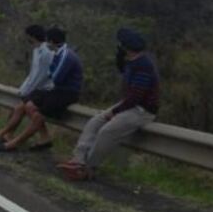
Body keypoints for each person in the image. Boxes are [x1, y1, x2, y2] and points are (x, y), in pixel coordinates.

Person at [57, 29, 160, 181]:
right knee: (94, 121)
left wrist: (116, 111)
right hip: (129, 104)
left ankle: (88, 167)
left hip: (142, 109)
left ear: (125, 46)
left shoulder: (143, 66)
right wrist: (119, 57)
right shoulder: (130, 62)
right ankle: (77, 159)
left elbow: (136, 96)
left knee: (107, 131)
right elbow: (122, 71)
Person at [0, 26, 83, 152]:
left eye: (48, 41)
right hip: (57, 89)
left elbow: (56, 77)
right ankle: (43, 138)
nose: (46, 44)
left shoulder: (65, 55)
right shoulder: (58, 53)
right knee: (28, 105)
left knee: (39, 116)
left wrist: (50, 74)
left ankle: (14, 143)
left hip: (67, 92)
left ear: (52, 41)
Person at [0, 25, 54, 145]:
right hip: (35, 89)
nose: (27, 39)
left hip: (43, 90)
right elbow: (32, 73)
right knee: (19, 109)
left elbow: (41, 76)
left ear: (33, 36)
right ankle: (5, 135)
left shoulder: (46, 53)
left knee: (23, 109)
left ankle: (5, 136)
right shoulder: (36, 51)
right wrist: (23, 89)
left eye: (28, 36)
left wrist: (28, 91)